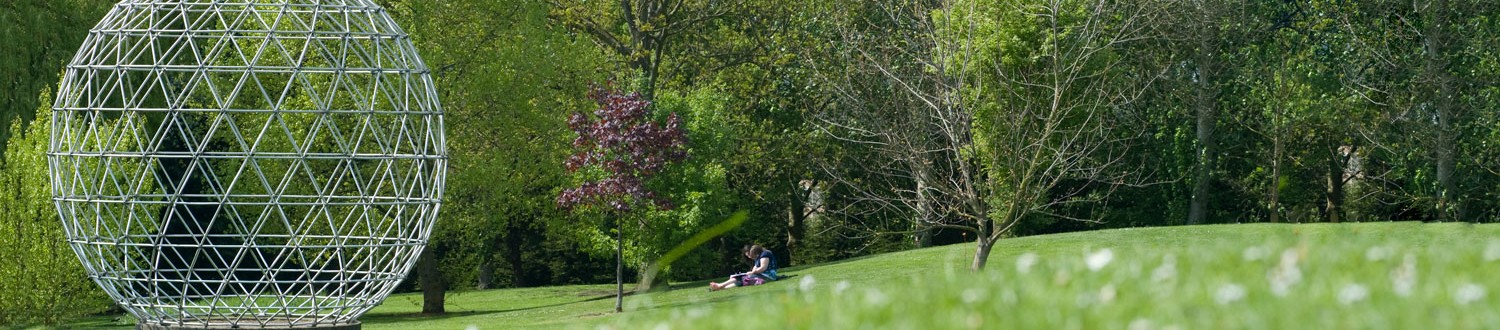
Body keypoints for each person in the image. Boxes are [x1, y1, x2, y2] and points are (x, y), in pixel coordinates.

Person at [709, 244, 779, 291]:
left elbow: (763, 268)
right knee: (741, 280)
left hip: (767, 276)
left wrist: (753, 272)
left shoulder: (765, 254)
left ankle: (721, 285)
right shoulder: (759, 257)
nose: (750, 257)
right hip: (764, 276)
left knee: (741, 278)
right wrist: (752, 272)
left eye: (751, 255)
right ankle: (721, 287)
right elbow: (755, 267)